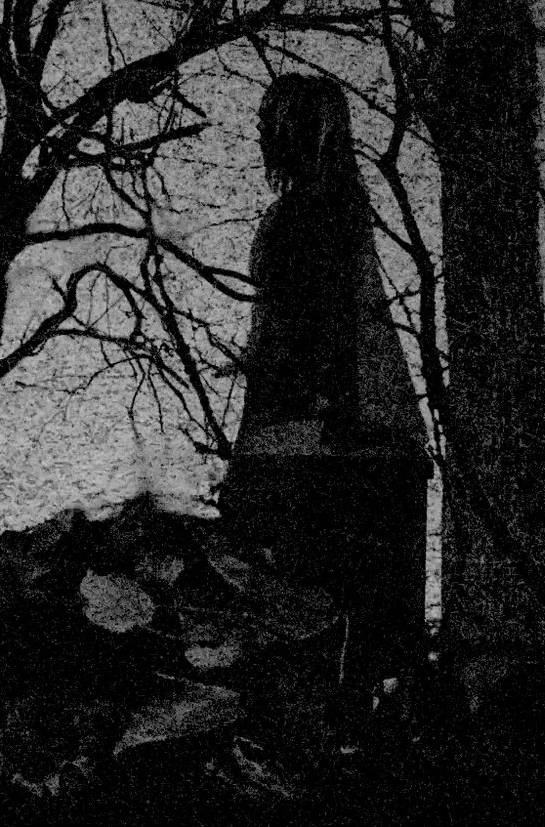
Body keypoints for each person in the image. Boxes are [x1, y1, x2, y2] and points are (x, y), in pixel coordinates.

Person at [220, 74, 429, 694]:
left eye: (272, 121)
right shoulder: (327, 211)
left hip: (321, 436)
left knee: (309, 625)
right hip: (324, 429)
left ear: (300, 131)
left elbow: (318, 326)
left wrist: (316, 411)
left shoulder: (311, 215)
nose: (261, 132)